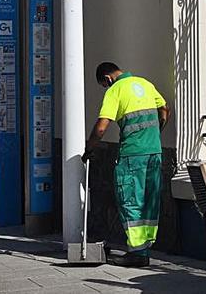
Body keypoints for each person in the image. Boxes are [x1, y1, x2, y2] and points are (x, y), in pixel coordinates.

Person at [83, 61, 169, 267]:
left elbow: (102, 127)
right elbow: (164, 109)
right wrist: (155, 134)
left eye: (105, 85)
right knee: (150, 199)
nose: (106, 88)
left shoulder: (116, 90)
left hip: (133, 154)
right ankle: (144, 248)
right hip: (154, 151)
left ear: (107, 79)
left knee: (130, 199)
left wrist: (90, 149)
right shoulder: (145, 84)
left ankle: (137, 254)